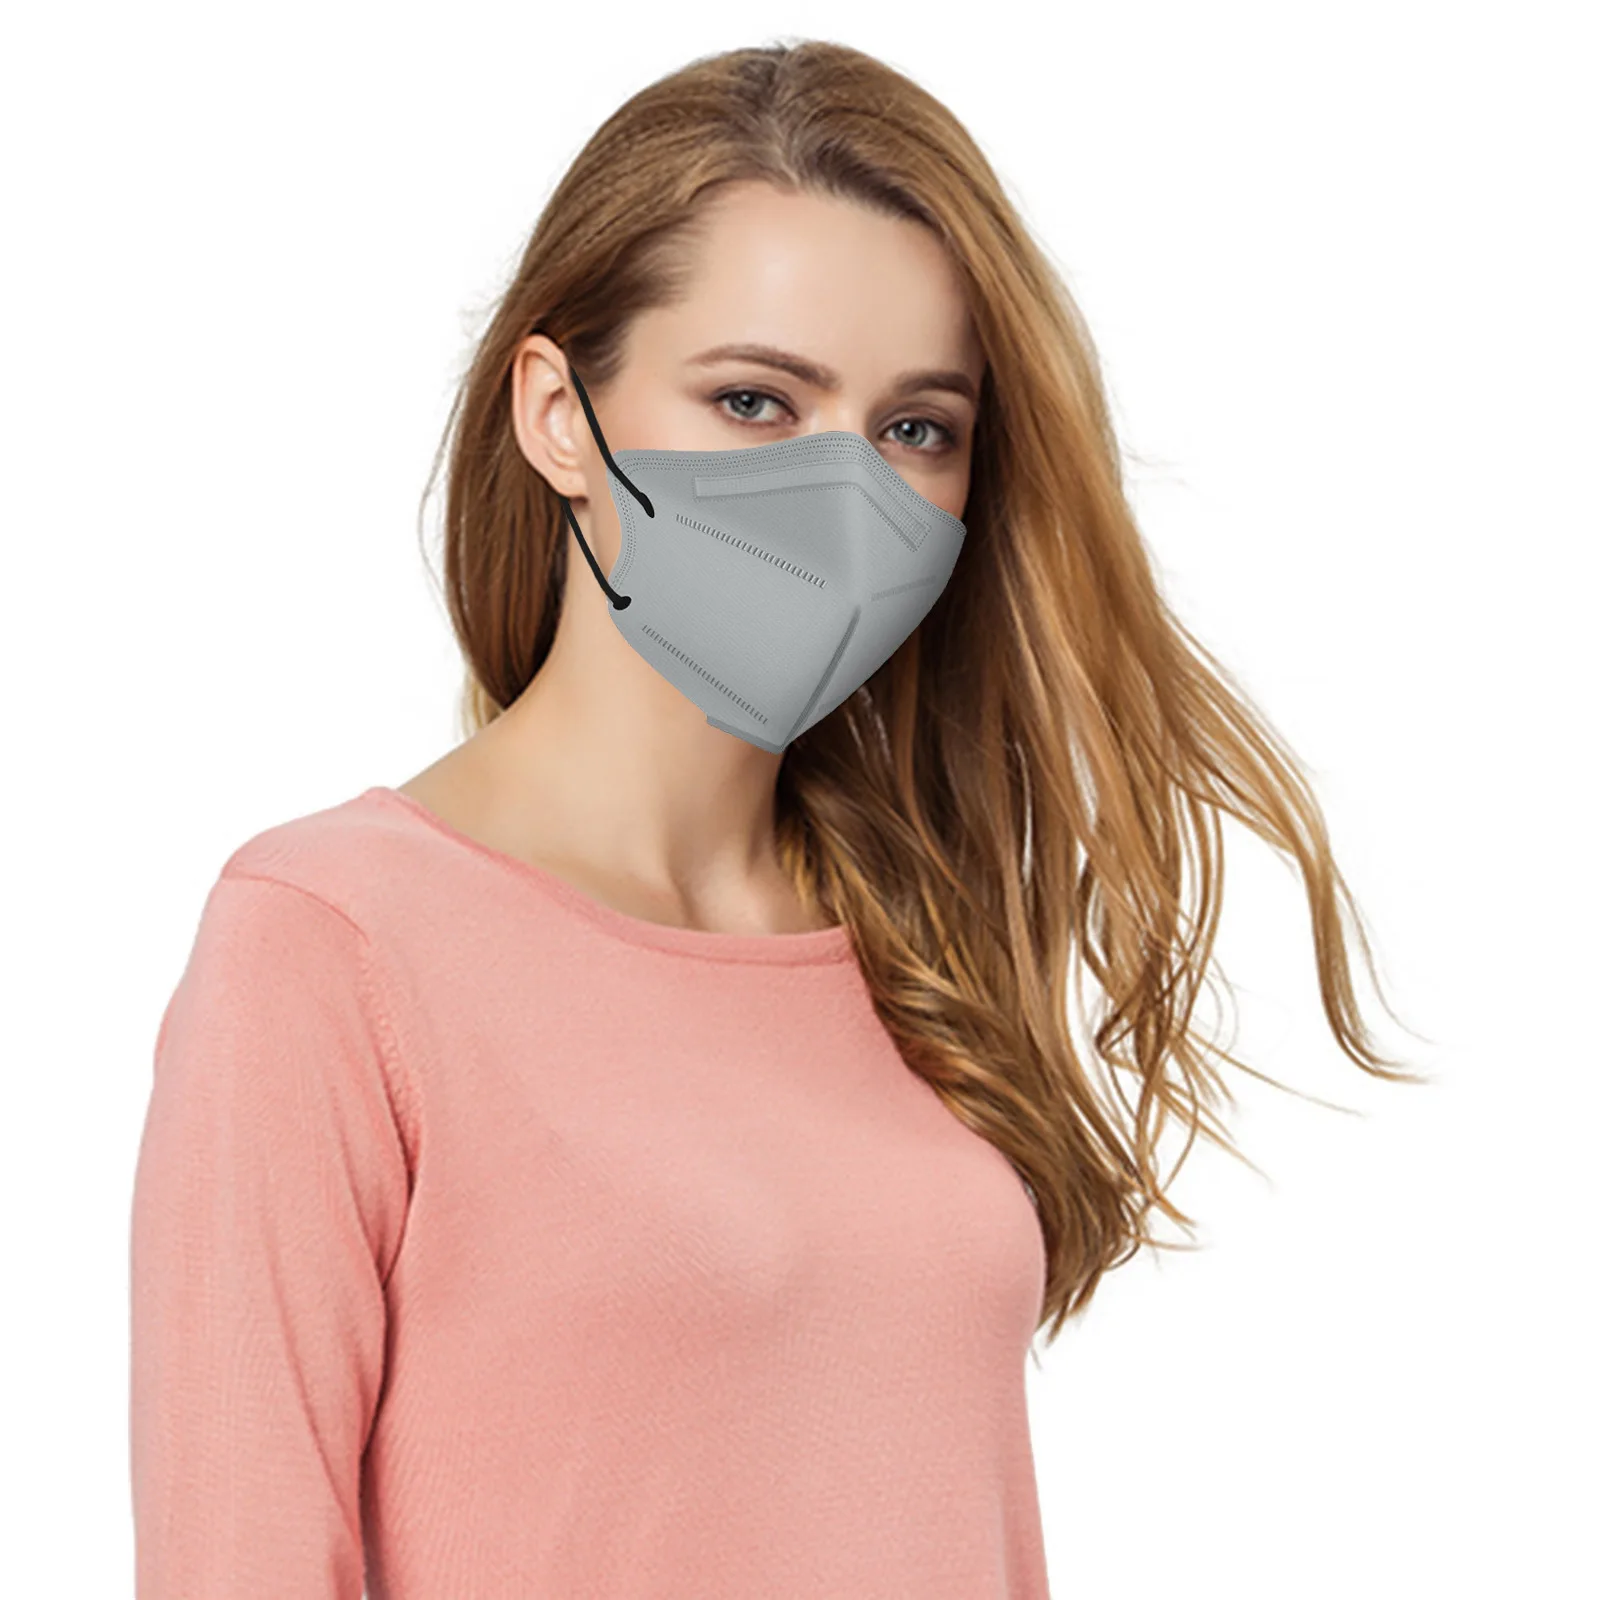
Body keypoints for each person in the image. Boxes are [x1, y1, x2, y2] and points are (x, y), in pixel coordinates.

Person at [128, 38, 1413, 1600]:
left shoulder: (915, 941)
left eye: (917, 428)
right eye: (755, 401)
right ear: (558, 414)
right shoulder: (331, 941)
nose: (845, 495)